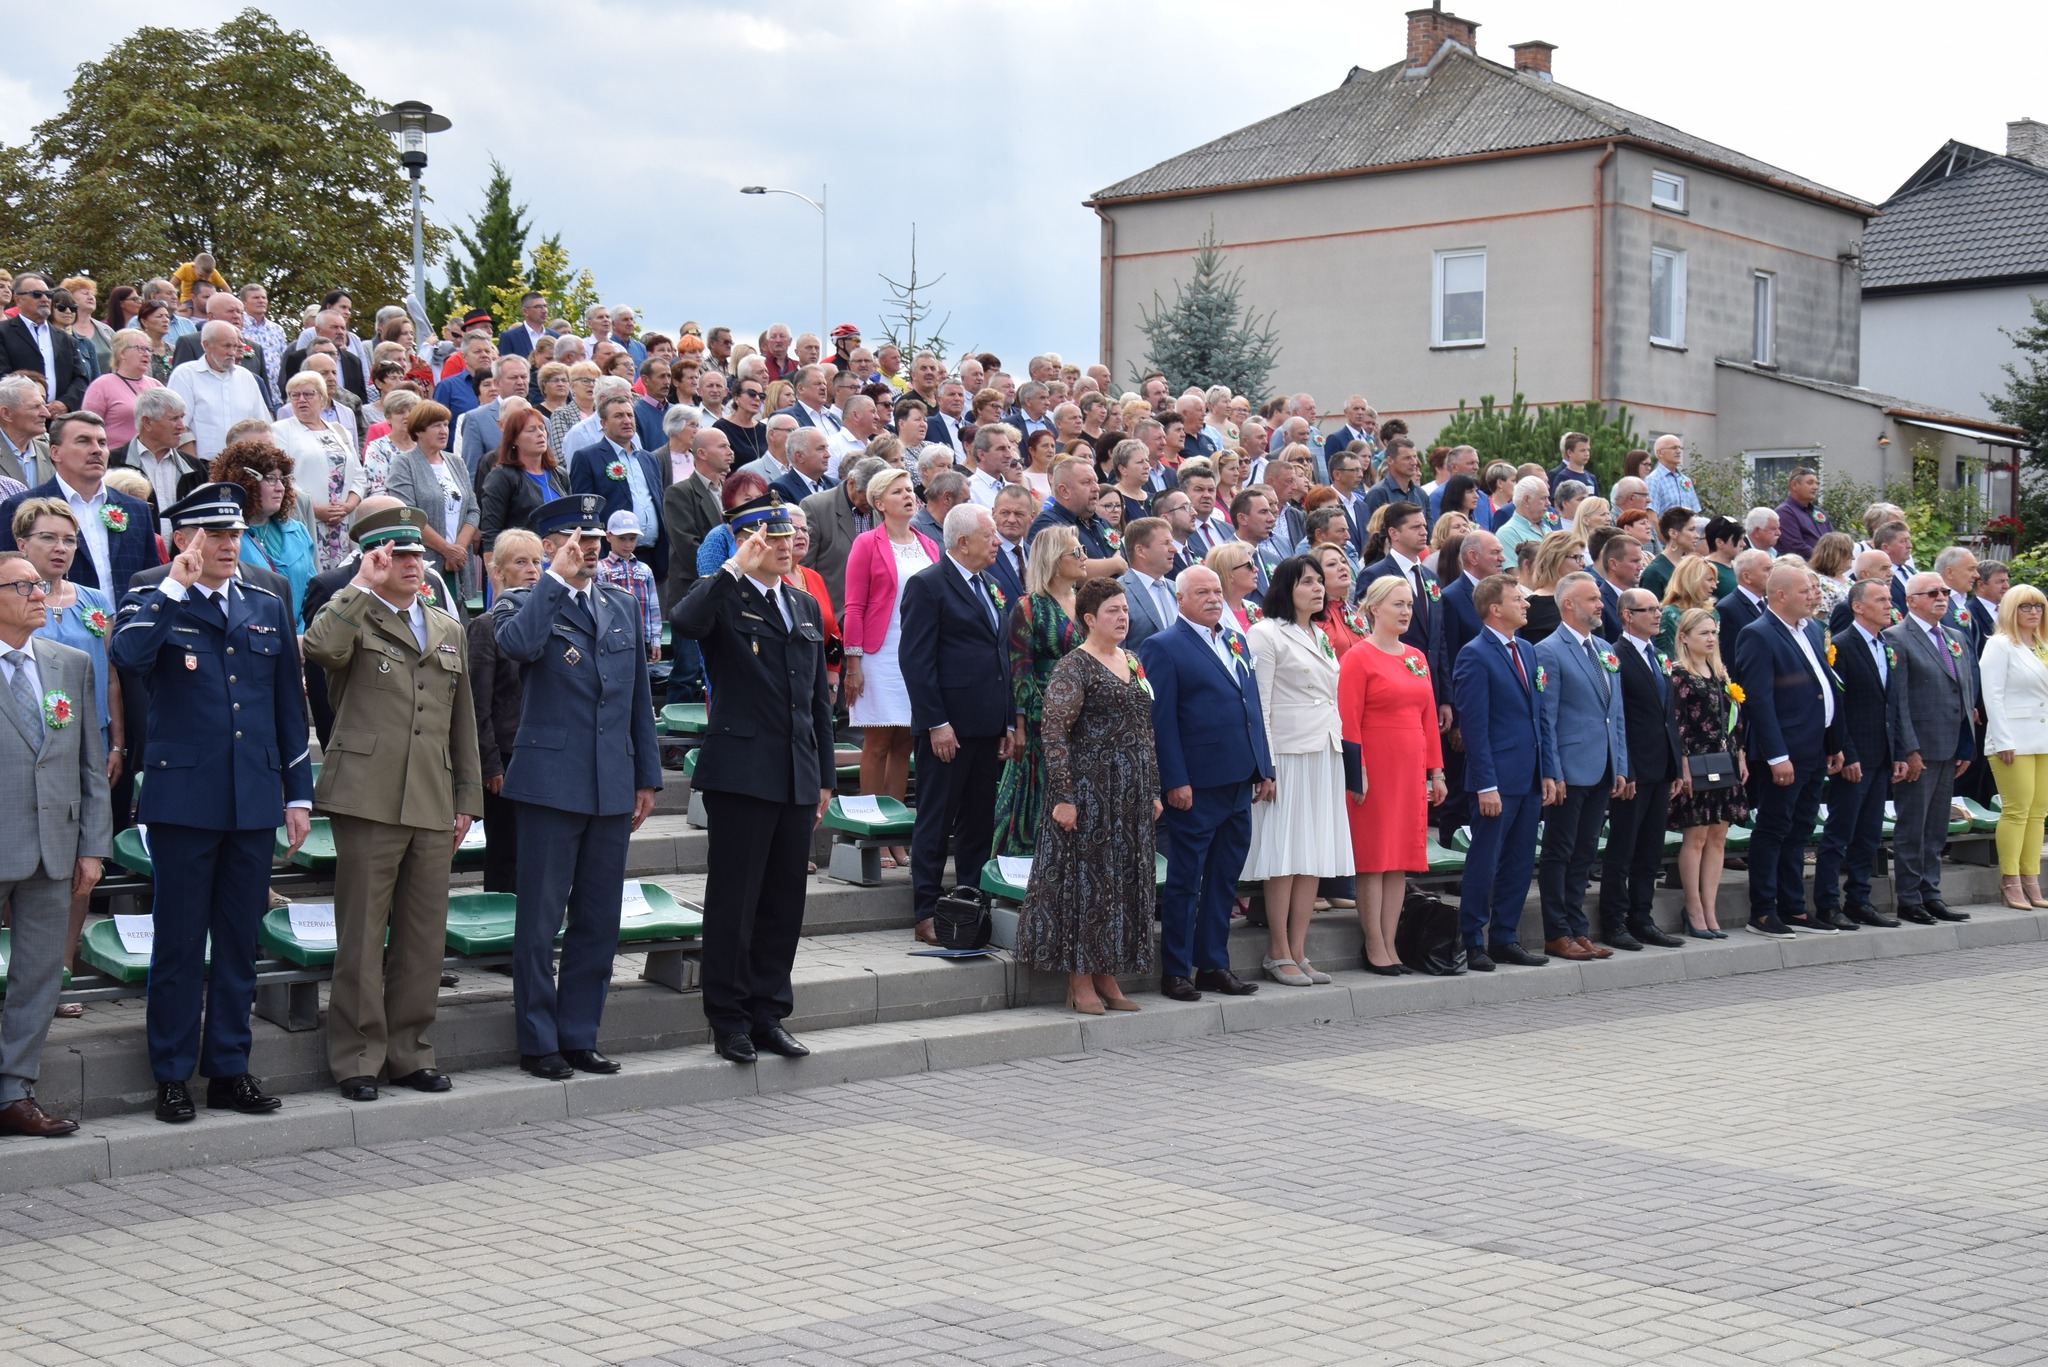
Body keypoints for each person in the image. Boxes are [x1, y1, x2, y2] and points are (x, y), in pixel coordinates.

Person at [109, 482, 313, 1123]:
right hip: (183, 800)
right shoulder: (151, 593)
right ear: (183, 539)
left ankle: (229, 1068)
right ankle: (171, 1074)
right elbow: (128, 656)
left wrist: (298, 794)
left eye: (235, 534)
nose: (229, 545)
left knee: (238, 940)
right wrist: (175, 587)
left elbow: (288, 705)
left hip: (252, 796)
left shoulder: (264, 601)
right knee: (177, 943)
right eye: (216, 534)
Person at [302, 506, 483, 1102]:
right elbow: (319, 648)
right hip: (368, 796)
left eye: (417, 555)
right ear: (374, 559)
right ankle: (357, 1057)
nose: (411, 564)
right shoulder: (351, 614)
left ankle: (410, 1052)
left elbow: (462, 722)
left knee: (422, 936)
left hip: (431, 796)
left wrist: (466, 799)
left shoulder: (447, 627)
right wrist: (360, 583)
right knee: (361, 936)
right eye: (397, 555)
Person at [494, 494, 661, 1080]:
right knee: (540, 921)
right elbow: (518, 646)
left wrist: (646, 775)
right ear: (550, 547)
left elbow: (637, 696)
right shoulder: (524, 600)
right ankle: (538, 1041)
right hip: (550, 783)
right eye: (577, 540)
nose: (589, 549)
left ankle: (579, 1035)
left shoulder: (620, 603)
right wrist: (554, 582)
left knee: (597, 918)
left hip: (610, 780)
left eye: (594, 539)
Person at [670, 497, 834, 1065]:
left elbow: (817, 700)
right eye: (771, 537)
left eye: (789, 537)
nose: (785, 545)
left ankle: (769, 1015)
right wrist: (732, 568)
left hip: (795, 773)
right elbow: (685, 623)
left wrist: (824, 776)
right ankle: (729, 1019)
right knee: (734, 902)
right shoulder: (724, 594)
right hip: (742, 773)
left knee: (783, 905)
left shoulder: (803, 603)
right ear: (745, 542)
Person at [0, 551, 108, 1137]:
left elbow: (91, 762)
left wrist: (91, 847)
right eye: (23, 587)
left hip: (54, 846)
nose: (40, 594)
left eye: (40, 585)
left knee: (40, 976)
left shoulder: (70, 663)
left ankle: (14, 1093)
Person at [1017, 575, 1159, 1013]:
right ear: (1089, 619)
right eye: (1113, 611)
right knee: (1088, 885)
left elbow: (1145, 729)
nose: (1123, 617)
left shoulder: (1132, 659)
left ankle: (1106, 974)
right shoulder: (1073, 666)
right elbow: (1054, 733)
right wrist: (1064, 796)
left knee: (1121, 883)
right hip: (1089, 790)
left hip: (1130, 792)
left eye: (1125, 609)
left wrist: (1153, 788)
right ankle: (1079, 982)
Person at [1140, 566, 1272, 1002]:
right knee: (1186, 880)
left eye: (1217, 590)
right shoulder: (1163, 646)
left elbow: (1251, 705)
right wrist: (1174, 780)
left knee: (1224, 878)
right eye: (1202, 592)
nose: (1214, 598)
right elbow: (1162, 721)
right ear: (1180, 600)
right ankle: (1177, 970)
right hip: (1196, 785)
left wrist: (1264, 766)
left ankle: (1214, 964)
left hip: (1239, 778)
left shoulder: (1235, 639)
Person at [15, 499, 123, 994]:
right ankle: (20, 974)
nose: (60, 548)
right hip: (25, 748)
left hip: (88, 744)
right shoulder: (10, 601)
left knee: (80, 857)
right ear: (21, 543)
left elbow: (112, 676)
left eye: (69, 540)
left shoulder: (95, 601)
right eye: (48, 538)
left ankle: (60, 971)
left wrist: (117, 741)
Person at [900, 502, 1013, 943]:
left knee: (978, 822)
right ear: (963, 542)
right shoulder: (928, 585)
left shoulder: (990, 584)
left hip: (986, 725)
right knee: (936, 819)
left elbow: (1000, 657)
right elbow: (916, 661)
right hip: (947, 728)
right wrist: (936, 722)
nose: (998, 542)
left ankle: (969, 904)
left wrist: (1006, 722)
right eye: (990, 535)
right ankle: (926, 910)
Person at [1240, 555, 1349, 986]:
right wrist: (1264, 766)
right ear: (1286, 588)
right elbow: (1260, 705)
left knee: (1312, 852)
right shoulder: (1265, 633)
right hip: (1286, 754)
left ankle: (1299, 950)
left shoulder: (1319, 634)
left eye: (1320, 581)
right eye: (1307, 582)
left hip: (1323, 751)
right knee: (1284, 853)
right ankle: (1277, 950)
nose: (1317, 588)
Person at [1339, 575, 1445, 972]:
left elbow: (1428, 718)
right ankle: (1374, 944)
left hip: (1409, 768)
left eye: (1409, 605)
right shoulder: (1358, 657)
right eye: (1398, 604)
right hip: (1375, 767)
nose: (1406, 612)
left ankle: (1390, 943)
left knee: (1398, 859)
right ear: (1374, 609)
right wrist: (1358, 771)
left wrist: (1437, 772)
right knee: (1374, 858)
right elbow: (1348, 719)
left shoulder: (1416, 657)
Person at [1453, 574, 1558, 970]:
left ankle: (1505, 937)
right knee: (1486, 860)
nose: (1526, 604)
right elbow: (1474, 727)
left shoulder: (1527, 650)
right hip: (1496, 779)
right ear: (1495, 609)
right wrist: (1486, 784)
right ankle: (1472, 940)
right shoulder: (1474, 654)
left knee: (1519, 861)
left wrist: (1547, 771)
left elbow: (1539, 715)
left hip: (1528, 775)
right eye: (1518, 599)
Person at [1733, 564, 1843, 939]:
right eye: (1804, 591)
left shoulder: (1810, 629)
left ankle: (1793, 906)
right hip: (1785, 751)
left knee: (1800, 829)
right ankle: (1764, 911)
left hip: (1814, 747)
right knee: (1774, 828)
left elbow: (1825, 686)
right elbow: (1759, 700)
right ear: (1780, 595)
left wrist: (1835, 742)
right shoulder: (1758, 633)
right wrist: (1777, 755)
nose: (1813, 596)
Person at [1533, 572, 1632, 962]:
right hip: (1569, 769)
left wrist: (1620, 764)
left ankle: (1578, 929)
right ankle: (1557, 932)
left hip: (1602, 765)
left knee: (1585, 851)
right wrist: (1553, 771)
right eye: (1592, 598)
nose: (1600, 604)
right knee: (1560, 851)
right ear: (1568, 604)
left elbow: (1615, 713)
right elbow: (1548, 717)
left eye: (1599, 598)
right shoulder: (1549, 650)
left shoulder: (1604, 648)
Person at [843, 467, 938, 865]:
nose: (908, 496)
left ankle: (895, 833)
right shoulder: (866, 543)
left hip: (917, 656)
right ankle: (872, 830)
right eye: (897, 491)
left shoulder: (929, 544)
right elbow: (854, 605)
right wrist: (853, 663)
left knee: (904, 745)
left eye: (910, 490)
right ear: (879, 503)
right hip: (879, 654)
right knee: (878, 743)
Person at [1884, 571, 1977, 926]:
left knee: (1937, 827)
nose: (1942, 598)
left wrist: (1966, 744)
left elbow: (1964, 691)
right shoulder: (1897, 637)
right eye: (1932, 593)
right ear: (1910, 600)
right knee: (1913, 826)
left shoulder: (1954, 636)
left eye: (1945, 592)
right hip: (1920, 749)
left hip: (1950, 745)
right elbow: (1899, 700)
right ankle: (1909, 898)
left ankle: (1931, 893)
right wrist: (1909, 749)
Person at [1813, 579, 1905, 930]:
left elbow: (1891, 703)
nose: (1888, 604)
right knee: (1840, 833)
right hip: (1854, 756)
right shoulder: (1842, 644)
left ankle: (1859, 899)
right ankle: (1827, 904)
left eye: (1889, 599)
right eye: (1880, 599)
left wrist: (1897, 752)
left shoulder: (1886, 645)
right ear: (1858, 606)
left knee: (1868, 834)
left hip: (1880, 756)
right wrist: (1847, 753)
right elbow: (1838, 706)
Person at [992, 524, 1086, 856]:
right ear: (1054, 560)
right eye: (1076, 552)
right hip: (1041, 714)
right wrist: (1018, 724)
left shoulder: (1087, 602)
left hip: (1086, 710)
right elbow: (1020, 668)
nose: (1084, 557)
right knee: (1039, 786)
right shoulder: (1029, 606)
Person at [0, 411, 160, 597]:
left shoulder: (136, 509)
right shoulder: (21, 507)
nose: (97, 450)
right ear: (55, 453)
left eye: (102, 443)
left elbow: (149, 580)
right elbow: (7, 579)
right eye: (83, 441)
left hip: (126, 614)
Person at [1666, 607, 1747, 940]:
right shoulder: (1679, 675)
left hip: (1724, 760)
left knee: (1718, 836)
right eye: (1703, 633)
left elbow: (1734, 720)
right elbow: (1677, 724)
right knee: (1697, 836)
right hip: (1697, 762)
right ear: (1684, 637)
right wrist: (1683, 764)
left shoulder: (1720, 673)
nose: (1711, 638)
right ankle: (1694, 907)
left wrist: (1740, 755)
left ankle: (1710, 908)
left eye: (1714, 632)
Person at [471, 530, 544, 894]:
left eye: (537, 562)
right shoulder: (485, 628)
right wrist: (489, 764)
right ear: (497, 571)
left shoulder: (553, 623)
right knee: (506, 853)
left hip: (545, 755)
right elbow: (477, 704)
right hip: (506, 758)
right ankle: (500, 919)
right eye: (521, 562)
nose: (532, 570)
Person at [1980, 585, 2048, 909]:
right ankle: (2010, 879)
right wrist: (2003, 739)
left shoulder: (2043, 644)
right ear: (2011, 610)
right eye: (2026, 606)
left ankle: (2031, 878)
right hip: (2013, 739)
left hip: (2043, 737)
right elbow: (1992, 695)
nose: (2034, 612)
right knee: (2017, 810)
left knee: (2038, 812)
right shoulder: (2000, 645)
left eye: (2039, 606)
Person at [214, 438, 319, 623]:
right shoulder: (224, 537)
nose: (280, 488)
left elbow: (313, 594)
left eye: (282, 479)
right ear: (245, 481)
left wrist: (302, 633)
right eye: (271, 479)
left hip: (302, 638)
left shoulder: (298, 531)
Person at [270, 372, 365, 571]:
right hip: (307, 520)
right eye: (295, 395)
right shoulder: (280, 431)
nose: (301, 400)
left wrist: (348, 506)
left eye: (308, 394)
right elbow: (283, 478)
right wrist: (315, 509)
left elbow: (358, 475)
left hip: (344, 524)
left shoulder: (339, 431)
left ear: (323, 398)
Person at [384, 400, 479, 588]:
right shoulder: (404, 464)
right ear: (419, 431)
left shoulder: (456, 462)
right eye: (436, 426)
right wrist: (446, 549)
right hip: (425, 560)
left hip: (459, 561)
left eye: (446, 424)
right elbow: (407, 514)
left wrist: (458, 548)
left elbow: (473, 510)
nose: (444, 431)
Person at [478, 406, 570, 554]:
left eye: (542, 428)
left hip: (561, 558)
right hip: (523, 558)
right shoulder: (501, 476)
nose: (540, 434)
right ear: (514, 439)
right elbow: (491, 532)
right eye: (531, 430)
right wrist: (493, 566)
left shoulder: (560, 474)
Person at [81, 327, 164, 450]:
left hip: (153, 455)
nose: (147, 354)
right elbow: (88, 429)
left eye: (149, 349)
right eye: (141, 348)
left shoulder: (156, 385)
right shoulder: (101, 386)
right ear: (122, 354)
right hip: (116, 457)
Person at [596, 510, 662, 660]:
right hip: (612, 638)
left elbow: (653, 608)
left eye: (632, 539)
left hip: (641, 638)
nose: (627, 544)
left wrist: (655, 640)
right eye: (621, 538)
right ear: (608, 536)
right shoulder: (601, 568)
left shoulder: (644, 570)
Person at [1117, 516, 1179, 650]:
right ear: (1140, 551)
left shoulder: (1178, 588)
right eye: (1166, 543)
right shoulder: (1118, 593)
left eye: (1172, 542)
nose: (1174, 549)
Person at [1518, 531, 1586, 645]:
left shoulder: (1587, 599)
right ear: (1555, 560)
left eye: (1582, 557)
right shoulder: (1531, 607)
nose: (1583, 563)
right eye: (1576, 557)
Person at [1655, 553, 1719, 657]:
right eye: (1709, 580)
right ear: (1691, 581)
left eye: (1715, 581)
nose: (1714, 586)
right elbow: (1666, 659)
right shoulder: (1670, 615)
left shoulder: (1713, 613)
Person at [1638, 506, 1698, 601]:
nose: (1697, 535)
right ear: (1673, 533)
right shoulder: (1654, 572)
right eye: (1691, 529)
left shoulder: (1690, 566)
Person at [1773, 468, 1830, 558]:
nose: (1815, 487)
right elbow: (1796, 547)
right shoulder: (1784, 512)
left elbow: (1833, 539)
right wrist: (1827, 558)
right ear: (1794, 485)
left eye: (1816, 483)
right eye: (1810, 483)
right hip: (1802, 565)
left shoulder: (1819, 512)